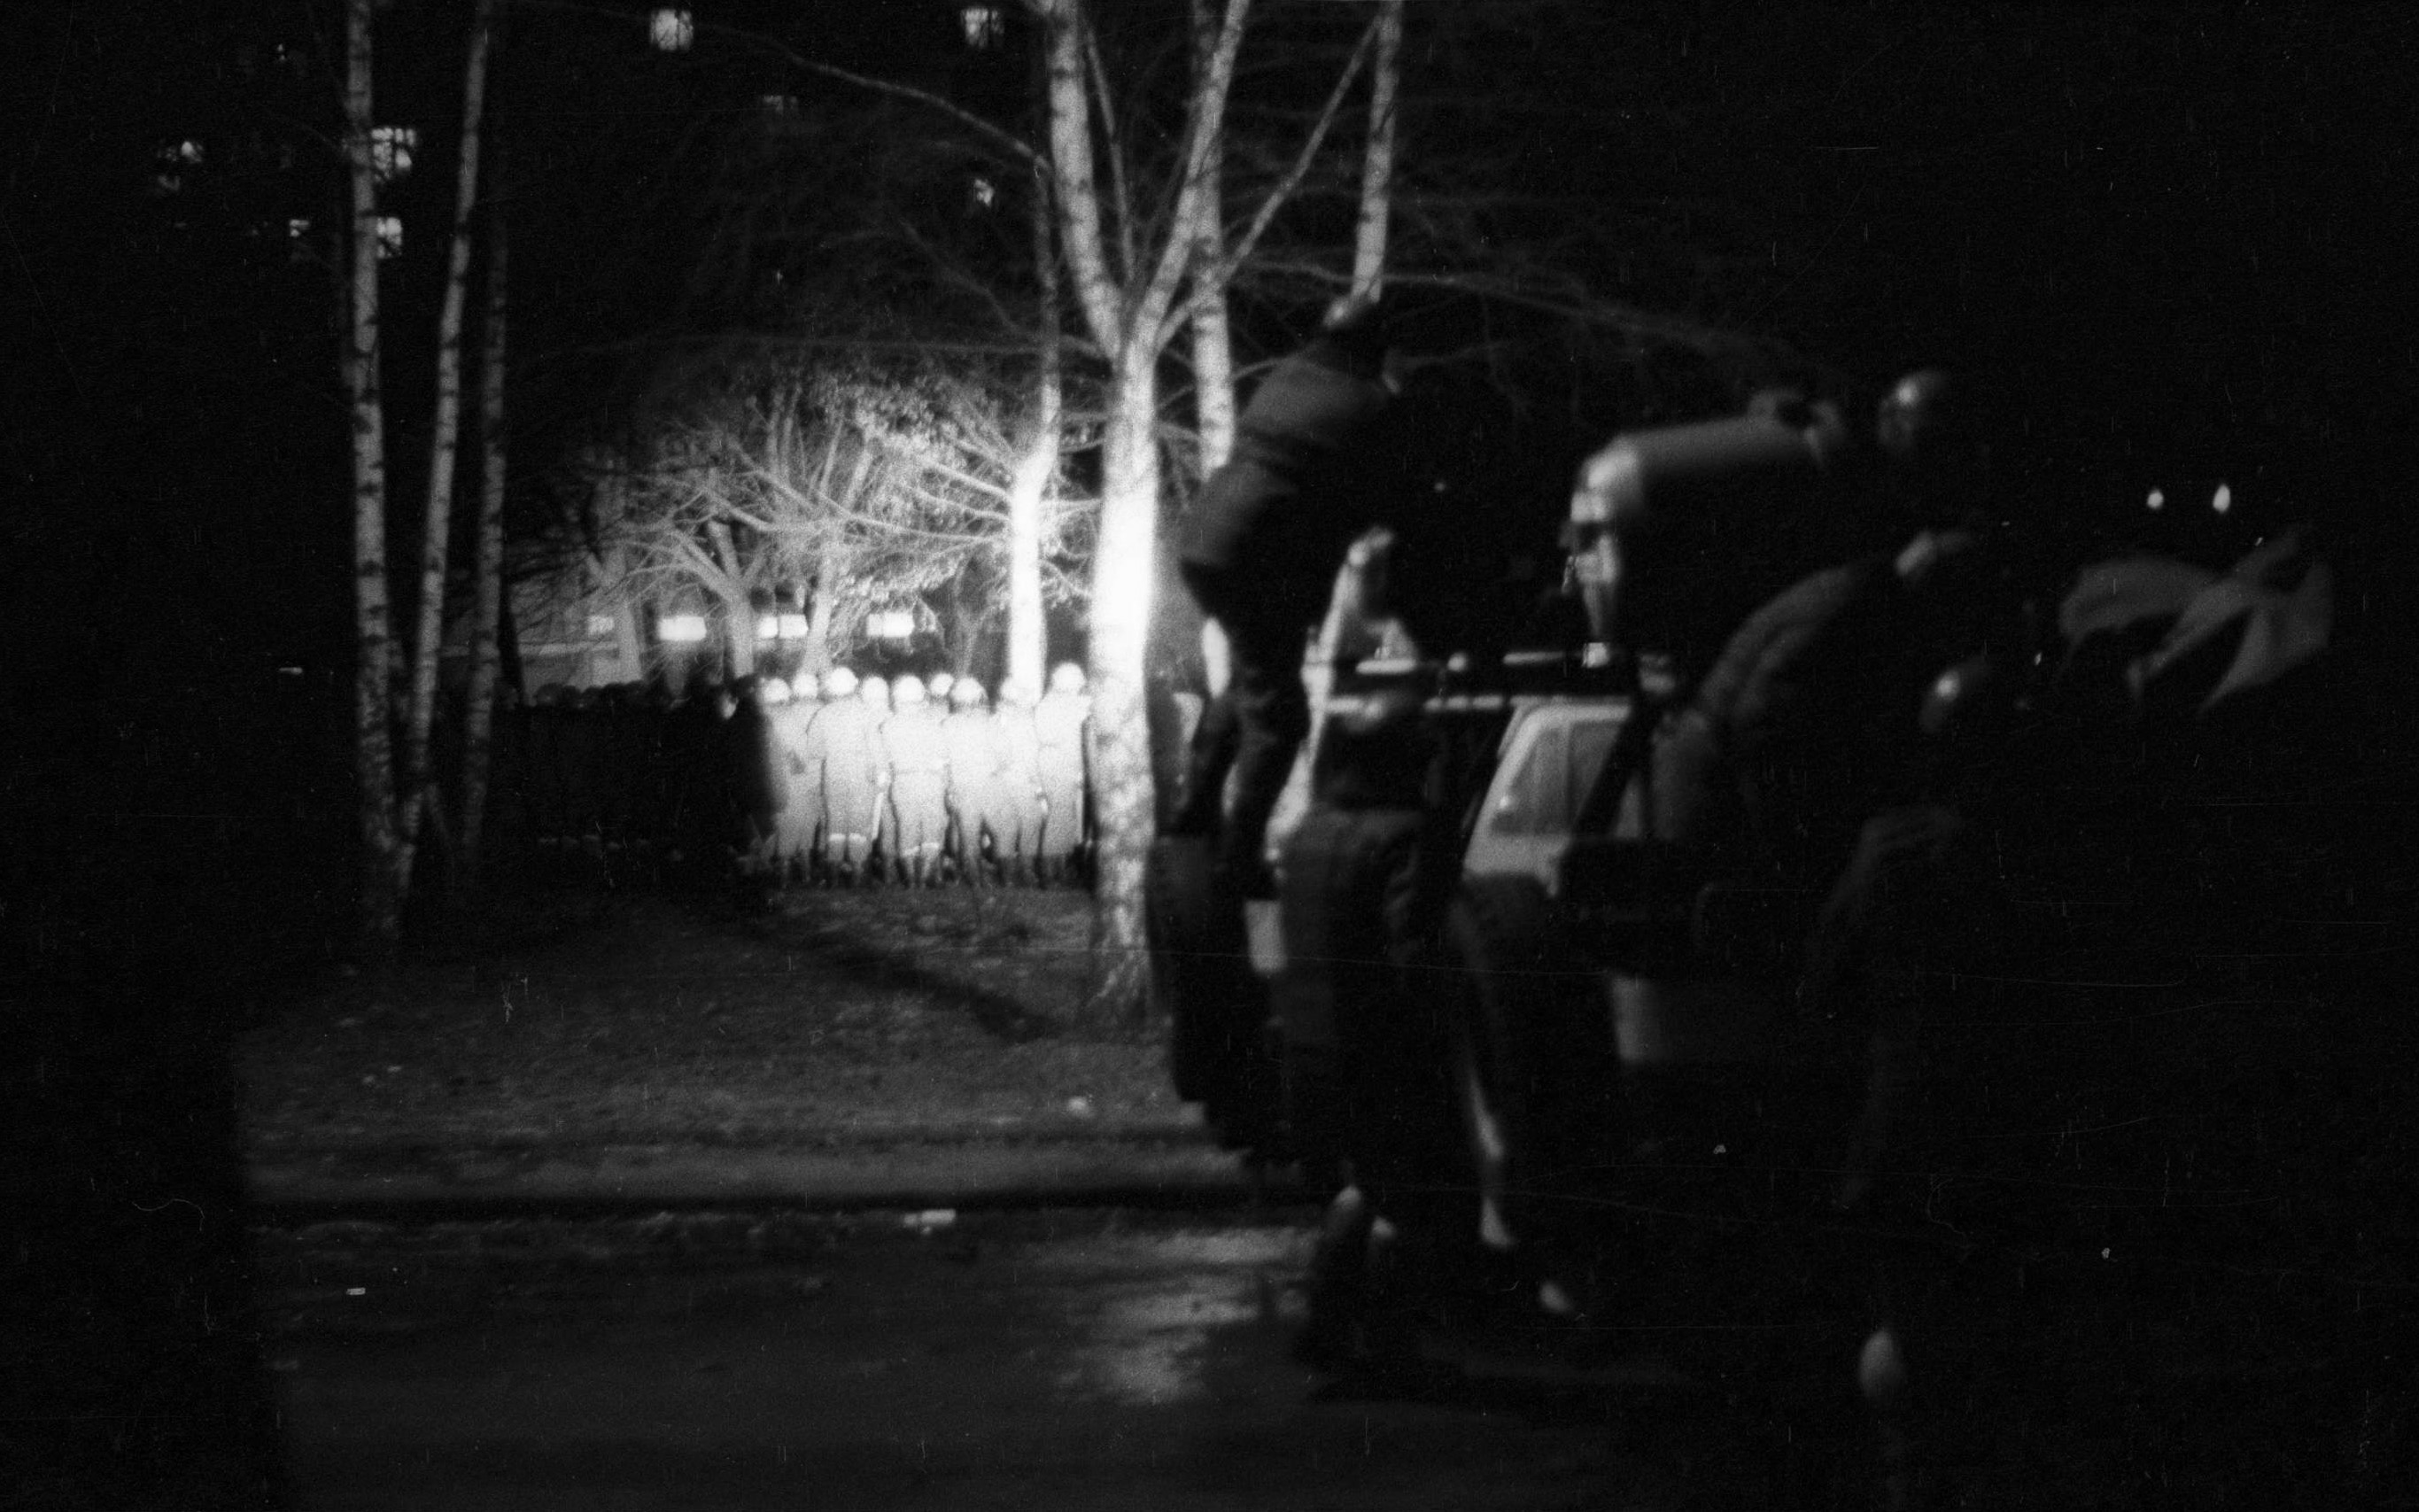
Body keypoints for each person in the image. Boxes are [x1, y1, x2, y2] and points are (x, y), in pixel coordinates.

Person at [1170, 292, 1408, 895]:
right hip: (1256, 559)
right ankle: (1237, 859)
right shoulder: (1366, 400)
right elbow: (1388, 488)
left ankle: (1193, 815)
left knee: (1252, 680)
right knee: (1280, 720)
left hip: (1208, 541)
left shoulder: (1291, 373)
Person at [878, 673, 950, 886]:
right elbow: (943, 758)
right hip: (931, 782)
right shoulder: (933, 724)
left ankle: (911, 881)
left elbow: (884, 759)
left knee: (906, 830)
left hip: (903, 783)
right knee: (932, 830)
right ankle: (924, 880)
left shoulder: (888, 726)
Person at [1032, 662, 1093, 885]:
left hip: (1060, 764)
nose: (1080, 687)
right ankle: (1049, 874)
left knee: (1065, 818)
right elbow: (1056, 737)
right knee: (1059, 816)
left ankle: (1059, 870)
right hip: (1058, 765)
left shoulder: (1054, 703)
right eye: (1077, 683)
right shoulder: (1056, 705)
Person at [940, 678, 996, 883]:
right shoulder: (988, 723)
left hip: (960, 784)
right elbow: (1004, 755)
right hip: (984, 783)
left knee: (964, 831)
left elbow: (943, 760)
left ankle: (966, 873)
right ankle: (978, 876)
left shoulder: (947, 724)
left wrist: (949, 786)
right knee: (981, 832)